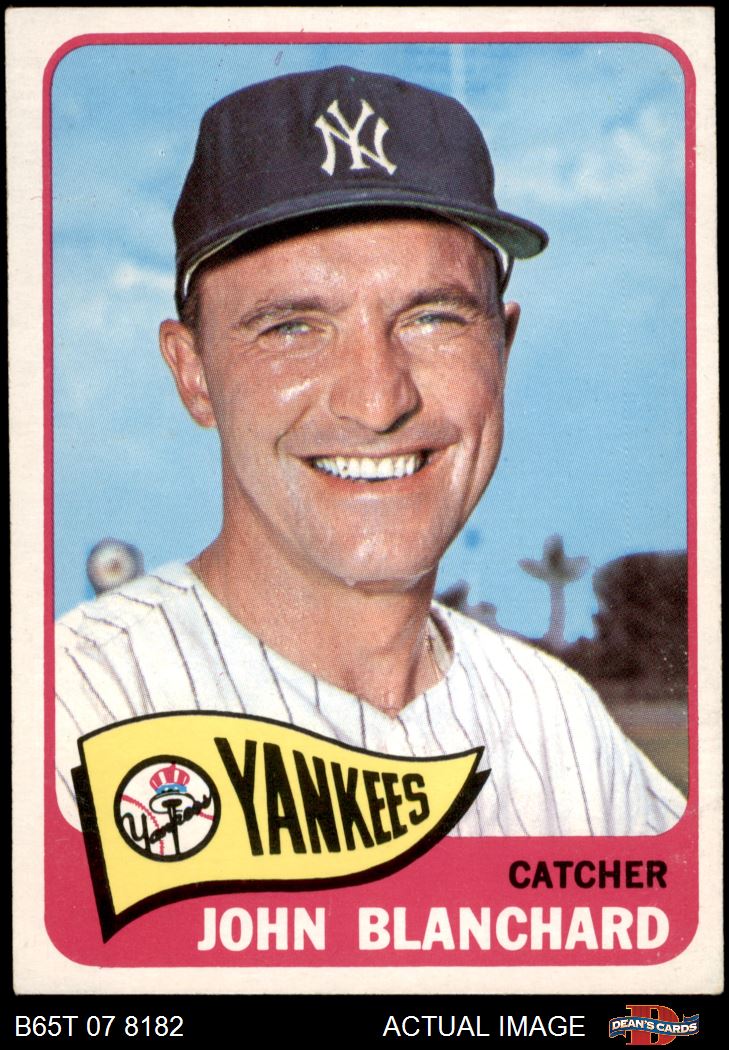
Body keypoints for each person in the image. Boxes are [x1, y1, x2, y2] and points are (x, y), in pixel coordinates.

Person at [55, 65, 685, 836]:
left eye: (433, 318)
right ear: (193, 375)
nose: (379, 400)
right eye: (292, 326)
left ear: (502, 347)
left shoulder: (559, 726)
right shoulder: (69, 711)